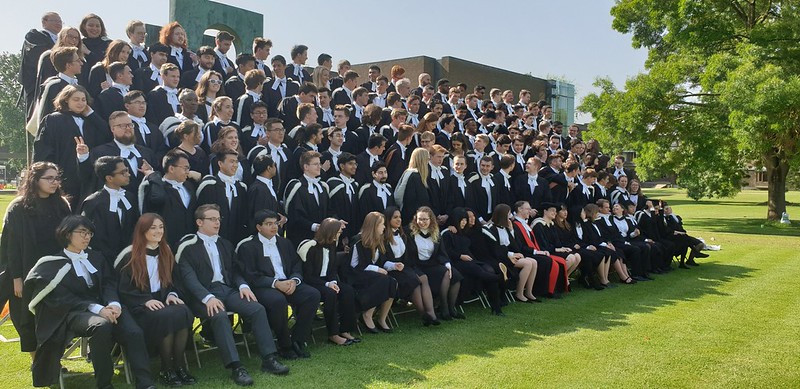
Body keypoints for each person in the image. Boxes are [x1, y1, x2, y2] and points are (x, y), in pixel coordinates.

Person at [25, 215, 154, 389]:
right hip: (73, 312)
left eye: (90, 233)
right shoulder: (52, 264)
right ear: (67, 234)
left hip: (106, 306)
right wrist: (97, 309)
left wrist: (114, 303)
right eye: (82, 232)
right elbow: (62, 298)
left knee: (133, 332)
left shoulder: (96, 257)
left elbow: (109, 282)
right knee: (101, 326)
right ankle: (105, 384)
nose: (87, 237)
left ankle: (145, 383)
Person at [176, 205, 289, 384]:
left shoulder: (225, 243)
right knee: (220, 316)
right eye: (212, 219)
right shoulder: (187, 246)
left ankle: (269, 358)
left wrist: (243, 285)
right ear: (199, 222)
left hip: (227, 291)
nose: (217, 222)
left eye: (219, 219)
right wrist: (208, 297)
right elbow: (188, 278)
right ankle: (236, 367)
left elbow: (235, 270)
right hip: (202, 296)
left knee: (257, 309)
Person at [0, 162, 71, 360]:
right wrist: (16, 278)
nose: (55, 182)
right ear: (34, 180)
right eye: (49, 178)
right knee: (27, 318)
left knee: (55, 317)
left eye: (57, 178)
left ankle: (54, 361)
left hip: (56, 271)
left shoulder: (62, 205)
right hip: (25, 270)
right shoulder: (19, 207)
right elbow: (11, 246)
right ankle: (37, 362)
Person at [115, 213, 195, 387]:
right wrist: (144, 300)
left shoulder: (166, 251)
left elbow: (175, 280)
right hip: (139, 307)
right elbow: (123, 289)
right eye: (153, 228)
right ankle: (166, 369)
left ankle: (179, 366)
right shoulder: (130, 255)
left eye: (161, 227)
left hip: (163, 301)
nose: (158, 231)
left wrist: (172, 294)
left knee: (183, 312)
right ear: (142, 230)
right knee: (165, 317)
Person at [235, 210, 321, 359]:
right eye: (269, 224)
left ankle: (297, 340)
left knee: (312, 295)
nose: (274, 227)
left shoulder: (285, 243)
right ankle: (284, 345)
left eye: (275, 223)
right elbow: (250, 275)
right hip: (264, 286)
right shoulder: (248, 246)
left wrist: (294, 280)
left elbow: (296, 265)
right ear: (258, 227)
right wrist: (275, 283)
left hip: (288, 283)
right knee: (277, 301)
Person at [33, 85, 111, 210]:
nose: (80, 103)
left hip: (87, 179)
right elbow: (42, 149)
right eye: (76, 99)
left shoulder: (90, 121)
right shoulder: (53, 119)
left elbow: (108, 135)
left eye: (83, 100)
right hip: (62, 177)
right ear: (66, 100)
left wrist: (91, 114)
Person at [298, 218, 360, 345]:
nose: (338, 235)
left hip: (327, 281)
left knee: (347, 291)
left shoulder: (332, 245)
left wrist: (333, 282)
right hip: (312, 283)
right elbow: (308, 276)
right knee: (330, 294)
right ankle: (333, 334)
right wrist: (328, 284)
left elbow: (332, 269)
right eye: (337, 233)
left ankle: (345, 329)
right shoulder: (311, 247)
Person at [81, 111, 157, 203]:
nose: (128, 128)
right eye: (123, 126)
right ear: (112, 129)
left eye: (130, 125)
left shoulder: (147, 152)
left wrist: (151, 172)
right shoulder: (100, 153)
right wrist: (83, 156)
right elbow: (87, 178)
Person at [405, 206, 465, 321]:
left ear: (431, 219)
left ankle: (451, 308)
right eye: (420, 219)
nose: (422, 222)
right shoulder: (409, 233)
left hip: (432, 264)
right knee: (446, 274)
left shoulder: (436, 232)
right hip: (416, 266)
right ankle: (444, 308)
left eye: (425, 219)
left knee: (454, 275)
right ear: (415, 219)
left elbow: (442, 253)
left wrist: (447, 263)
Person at [79, 155, 142, 263]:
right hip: (104, 260)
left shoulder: (129, 197)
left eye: (127, 170)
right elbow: (92, 236)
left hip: (129, 256)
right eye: (123, 173)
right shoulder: (93, 202)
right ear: (109, 178)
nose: (128, 174)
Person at [442, 207, 505, 315]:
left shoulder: (464, 232)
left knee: (488, 270)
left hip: (469, 260)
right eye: (462, 220)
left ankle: (496, 308)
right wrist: (460, 256)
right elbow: (446, 251)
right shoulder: (448, 233)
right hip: (456, 262)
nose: (464, 222)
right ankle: (500, 277)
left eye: (465, 220)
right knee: (478, 269)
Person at [383, 207, 440, 326]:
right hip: (391, 269)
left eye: (399, 217)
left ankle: (431, 314)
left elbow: (406, 257)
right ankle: (424, 314)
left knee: (423, 277)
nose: (399, 220)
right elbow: (381, 260)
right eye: (395, 217)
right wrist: (394, 265)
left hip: (405, 266)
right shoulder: (383, 237)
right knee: (414, 281)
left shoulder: (403, 234)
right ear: (388, 219)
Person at [480, 204, 540, 302]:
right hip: (500, 258)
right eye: (508, 214)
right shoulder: (491, 228)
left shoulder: (506, 227)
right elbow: (495, 248)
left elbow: (515, 246)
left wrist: (512, 231)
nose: (510, 216)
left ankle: (529, 292)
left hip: (509, 255)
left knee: (534, 262)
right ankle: (519, 293)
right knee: (528, 263)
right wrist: (511, 254)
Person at [140, 150, 199, 247]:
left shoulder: (189, 186)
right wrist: (152, 174)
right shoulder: (158, 187)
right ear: (171, 168)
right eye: (185, 168)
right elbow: (158, 199)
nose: (188, 172)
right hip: (166, 243)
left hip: (189, 243)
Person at [349, 212, 396, 333]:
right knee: (383, 280)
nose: (384, 227)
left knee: (392, 282)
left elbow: (382, 261)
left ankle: (382, 318)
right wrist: (376, 269)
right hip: (358, 275)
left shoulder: (380, 240)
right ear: (374, 226)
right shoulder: (358, 241)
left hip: (374, 276)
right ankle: (367, 314)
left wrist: (394, 265)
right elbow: (354, 265)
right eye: (382, 224)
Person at [197, 149, 248, 244]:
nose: (235, 165)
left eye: (236, 162)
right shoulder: (209, 185)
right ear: (220, 164)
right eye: (231, 162)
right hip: (212, 238)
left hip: (235, 239)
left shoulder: (241, 187)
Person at [554, 204, 607, 290]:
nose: (565, 212)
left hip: (579, 246)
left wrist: (586, 246)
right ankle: (590, 280)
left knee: (598, 254)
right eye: (582, 212)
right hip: (571, 248)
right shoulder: (569, 225)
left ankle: (585, 277)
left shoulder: (569, 224)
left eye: (566, 210)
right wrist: (576, 245)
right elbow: (570, 240)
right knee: (588, 255)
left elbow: (587, 237)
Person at [284, 151, 330, 246]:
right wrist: (313, 226)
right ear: (306, 167)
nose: (319, 167)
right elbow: (294, 215)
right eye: (315, 164)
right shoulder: (296, 186)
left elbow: (329, 209)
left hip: (321, 238)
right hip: (301, 238)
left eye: (319, 164)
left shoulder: (323, 186)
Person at [20, 12, 60, 116]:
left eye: (60, 21)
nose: (59, 23)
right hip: (37, 84)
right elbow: (38, 57)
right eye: (55, 20)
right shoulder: (35, 36)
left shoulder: (61, 39)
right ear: (44, 22)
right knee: (37, 115)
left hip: (57, 85)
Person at [30, 46, 82, 122]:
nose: (81, 63)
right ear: (68, 65)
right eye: (77, 60)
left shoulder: (78, 84)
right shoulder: (53, 86)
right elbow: (46, 115)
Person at [326, 152, 360, 239]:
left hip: (353, 228)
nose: (354, 167)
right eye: (350, 164)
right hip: (336, 229)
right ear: (342, 166)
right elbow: (329, 207)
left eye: (355, 164)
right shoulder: (333, 184)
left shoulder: (355, 185)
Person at [395, 148, 431, 225]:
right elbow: (410, 201)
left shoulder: (412, 174)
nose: (428, 162)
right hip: (413, 220)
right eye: (427, 159)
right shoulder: (414, 176)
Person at [79, 14, 111, 85]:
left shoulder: (108, 44)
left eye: (97, 26)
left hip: (103, 82)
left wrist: (88, 53)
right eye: (91, 25)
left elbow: (106, 63)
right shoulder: (80, 43)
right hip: (84, 83)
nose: (94, 28)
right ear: (84, 26)